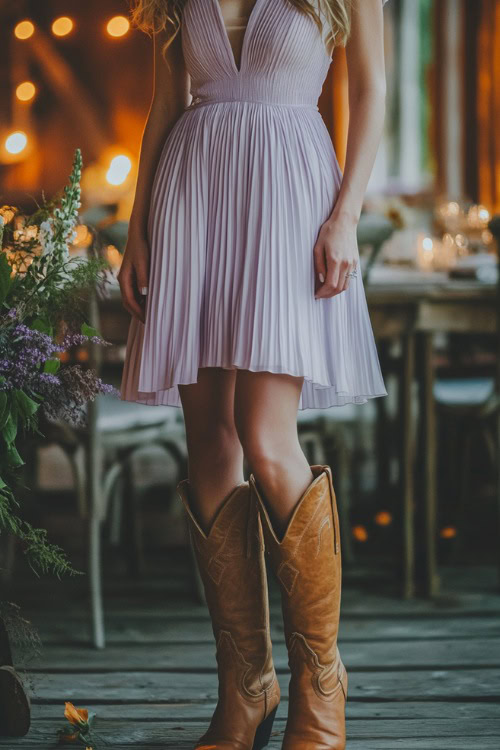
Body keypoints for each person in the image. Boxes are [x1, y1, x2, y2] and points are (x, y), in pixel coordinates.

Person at [119, 1, 388, 748]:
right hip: (193, 195)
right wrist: (139, 224)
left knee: (267, 441)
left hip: (290, 194)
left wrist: (346, 216)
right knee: (210, 448)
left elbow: (371, 89)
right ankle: (246, 687)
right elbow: (167, 101)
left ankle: (322, 683)